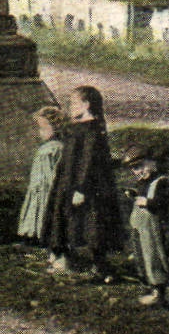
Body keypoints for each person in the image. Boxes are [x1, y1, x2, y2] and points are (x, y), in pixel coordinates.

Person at [44, 85, 125, 279]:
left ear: (86, 105)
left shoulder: (92, 130)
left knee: (92, 223)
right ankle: (64, 258)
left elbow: (88, 161)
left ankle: (99, 266)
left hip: (83, 185)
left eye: (73, 103)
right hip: (67, 181)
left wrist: (81, 188)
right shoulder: (77, 128)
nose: (70, 107)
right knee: (62, 218)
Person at [122, 144, 169, 308]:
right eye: (134, 169)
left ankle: (159, 293)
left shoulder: (162, 182)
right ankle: (149, 288)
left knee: (154, 258)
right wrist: (134, 195)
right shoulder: (143, 183)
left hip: (153, 230)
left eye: (140, 166)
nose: (138, 172)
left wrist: (149, 202)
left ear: (152, 162)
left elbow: (166, 203)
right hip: (140, 228)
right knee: (142, 257)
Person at [17, 106, 66, 246]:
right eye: (40, 128)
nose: (40, 132)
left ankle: (42, 235)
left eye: (44, 128)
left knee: (44, 210)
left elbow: (53, 172)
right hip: (38, 186)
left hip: (46, 187)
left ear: (56, 127)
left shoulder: (53, 148)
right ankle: (33, 234)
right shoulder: (48, 148)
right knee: (35, 209)